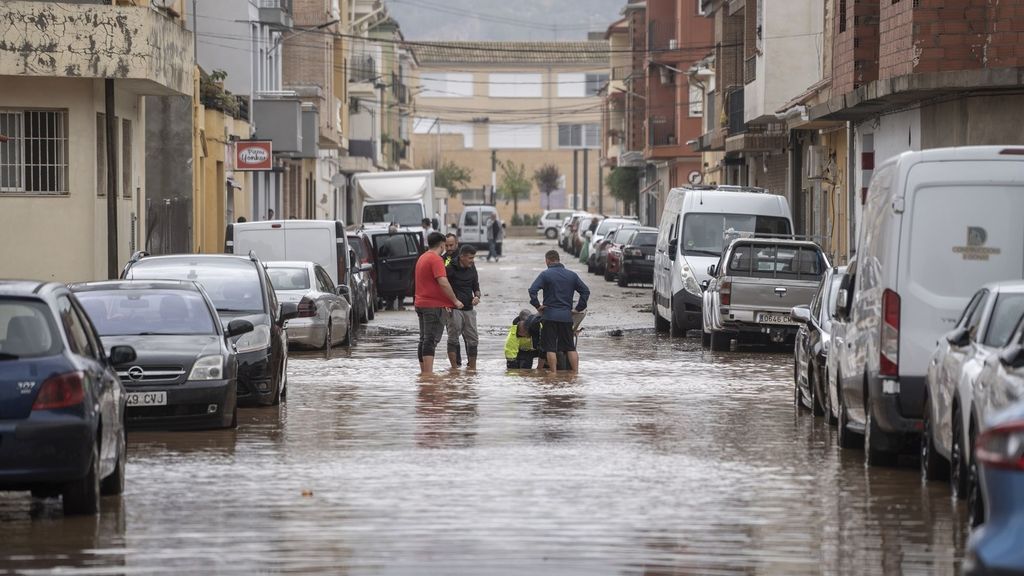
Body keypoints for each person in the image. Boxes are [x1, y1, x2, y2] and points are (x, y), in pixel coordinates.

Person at [528, 250, 590, 372]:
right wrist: (578, 308)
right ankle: (575, 374)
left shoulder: (545, 274)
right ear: (558, 259)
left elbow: (532, 290)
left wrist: (537, 306)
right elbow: (585, 291)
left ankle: (554, 374)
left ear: (548, 260)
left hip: (549, 316)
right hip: (566, 317)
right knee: (570, 347)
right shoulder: (572, 275)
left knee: (550, 348)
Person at [414, 231, 463, 374]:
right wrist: (454, 300)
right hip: (432, 306)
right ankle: (428, 375)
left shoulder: (422, 258)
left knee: (423, 339)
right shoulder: (436, 259)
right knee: (430, 340)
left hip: (420, 303)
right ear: (442, 245)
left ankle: (424, 374)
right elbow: (443, 282)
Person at [445, 245, 481, 370]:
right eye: (470, 258)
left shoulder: (472, 267)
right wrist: (446, 304)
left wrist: (477, 296)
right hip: (454, 309)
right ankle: (454, 369)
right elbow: (442, 286)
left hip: (469, 309)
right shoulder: (450, 268)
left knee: (473, 340)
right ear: (462, 257)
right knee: (453, 339)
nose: (472, 260)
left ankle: (472, 369)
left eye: (473, 258)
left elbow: (476, 286)